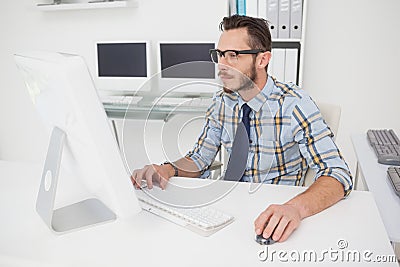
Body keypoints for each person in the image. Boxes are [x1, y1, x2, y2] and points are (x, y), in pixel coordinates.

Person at [131, 15, 353, 243]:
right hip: (227, 210)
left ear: (262, 59)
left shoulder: (294, 105)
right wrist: (167, 169)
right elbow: (200, 158)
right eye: (219, 54)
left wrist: (294, 209)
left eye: (233, 55)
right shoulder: (222, 102)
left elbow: (338, 174)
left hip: (272, 215)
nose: (222, 65)